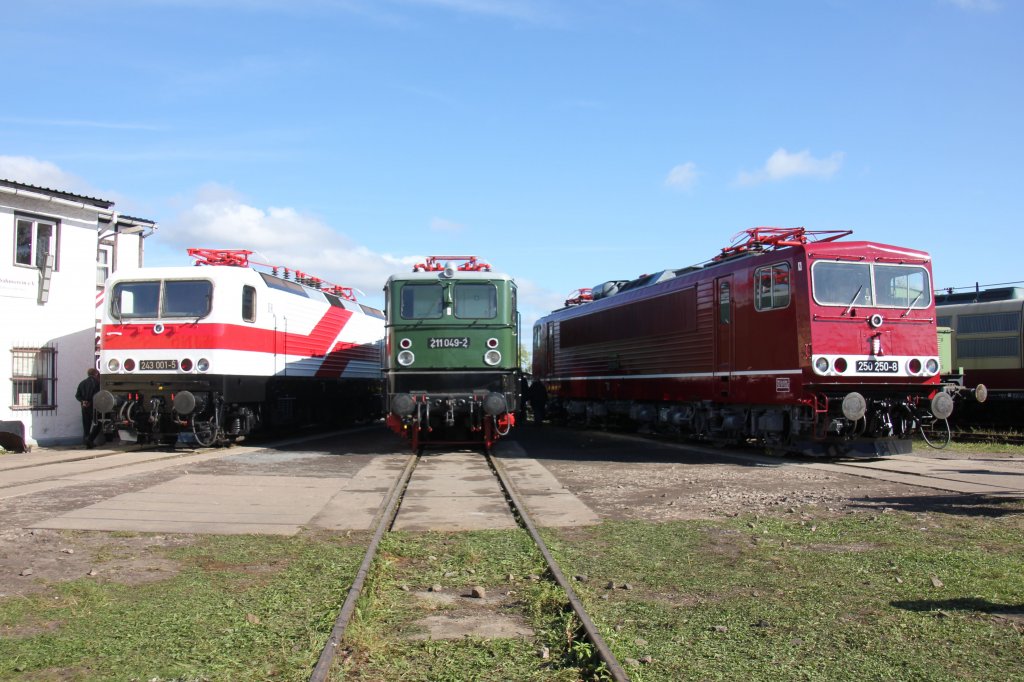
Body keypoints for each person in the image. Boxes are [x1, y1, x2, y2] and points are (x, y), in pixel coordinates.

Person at [75, 367, 101, 448]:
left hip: (84, 407)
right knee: (98, 424)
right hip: (94, 407)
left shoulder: (82, 383)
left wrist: (83, 401)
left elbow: (77, 395)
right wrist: (90, 402)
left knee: (86, 425)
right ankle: (90, 440)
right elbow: (97, 395)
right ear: (96, 374)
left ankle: (86, 441)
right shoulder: (97, 383)